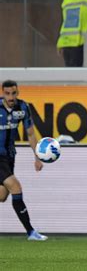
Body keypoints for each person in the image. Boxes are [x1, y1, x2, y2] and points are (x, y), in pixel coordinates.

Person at [0, 80, 47, 241]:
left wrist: (37, 157)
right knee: (16, 187)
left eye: (13, 93)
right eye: (7, 93)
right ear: (2, 93)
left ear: (18, 92)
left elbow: (31, 134)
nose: (11, 97)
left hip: (9, 156)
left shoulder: (23, 107)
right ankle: (31, 232)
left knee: (2, 196)